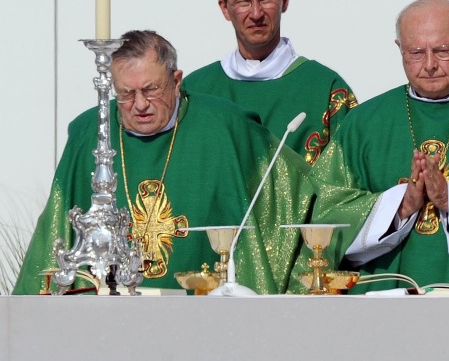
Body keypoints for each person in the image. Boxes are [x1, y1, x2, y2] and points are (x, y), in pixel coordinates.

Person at [15, 30, 313, 295]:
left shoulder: (227, 128)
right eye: (126, 94)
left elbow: (304, 193)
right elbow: (55, 235)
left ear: (176, 80)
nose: (140, 104)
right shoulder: (90, 135)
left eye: (151, 89)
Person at [309, 0, 449, 292]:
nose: (429, 65)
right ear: (399, 49)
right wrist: (400, 206)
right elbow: (324, 217)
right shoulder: (363, 123)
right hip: (382, 303)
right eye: (416, 52)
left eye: (442, 51)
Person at [184, 0, 357, 165]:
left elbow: (353, 174)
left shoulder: (326, 88)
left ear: (284, 1)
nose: (256, 13)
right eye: (243, 2)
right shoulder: (194, 91)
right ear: (225, 8)